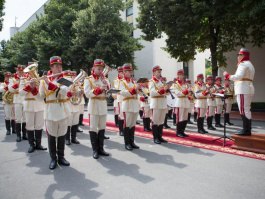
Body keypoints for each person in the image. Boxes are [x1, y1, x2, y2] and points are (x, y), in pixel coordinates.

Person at [39, 56, 71, 170]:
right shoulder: (43, 81)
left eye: (60, 66)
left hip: (62, 109)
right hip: (50, 110)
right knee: (51, 136)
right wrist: (34, 86)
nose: (58, 68)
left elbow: (65, 92)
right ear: (51, 67)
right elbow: (40, 96)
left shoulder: (64, 79)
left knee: (62, 134)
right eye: (56, 66)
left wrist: (49, 83)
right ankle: (53, 158)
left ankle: (61, 157)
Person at [224, 48, 255, 136]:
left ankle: (246, 130)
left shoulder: (243, 64)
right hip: (248, 87)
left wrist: (227, 75)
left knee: (243, 110)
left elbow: (238, 76)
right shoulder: (250, 64)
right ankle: (247, 129)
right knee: (247, 109)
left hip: (243, 88)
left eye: (240, 55)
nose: (238, 57)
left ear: (244, 56)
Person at [84, 59, 110, 159]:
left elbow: (109, 94)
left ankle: (101, 149)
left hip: (103, 104)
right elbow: (87, 93)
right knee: (93, 128)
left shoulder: (105, 79)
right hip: (94, 105)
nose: (100, 70)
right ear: (93, 68)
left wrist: (107, 87)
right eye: (98, 68)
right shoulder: (88, 79)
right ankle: (95, 150)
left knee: (102, 127)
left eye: (101, 69)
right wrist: (99, 89)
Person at [19, 64, 47, 153]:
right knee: (30, 126)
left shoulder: (40, 80)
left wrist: (37, 86)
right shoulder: (23, 80)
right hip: (28, 105)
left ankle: (38, 144)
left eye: (34, 70)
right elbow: (20, 93)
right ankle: (31, 145)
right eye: (31, 71)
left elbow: (43, 94)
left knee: (39, 125)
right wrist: (29, 86)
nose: (32, 72)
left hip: (39, 104)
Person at [119, 63, 140, 150]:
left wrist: (139, 89)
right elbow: (123, 92)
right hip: (127, 104)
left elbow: (137, 92)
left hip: (135, 104)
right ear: (124, 72)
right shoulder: (122, 82)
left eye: (130, 71)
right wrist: (134, 90)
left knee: (132, 124)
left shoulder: (133, 81)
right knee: (127, 124)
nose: (130, 73)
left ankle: (132, 142)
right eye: (127, 71)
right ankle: (127, 143)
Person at [149, 65, 168, 144]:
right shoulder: (151, 82)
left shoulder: (162, 81)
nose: (159, 73)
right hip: (156, 103)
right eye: (158, 71)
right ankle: (155, 137)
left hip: (163, 103)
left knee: (161, 121)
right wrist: (163, 90)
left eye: (160, 72)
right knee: (155, 121)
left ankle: (160, 137)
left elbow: (165, 93)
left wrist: (167, 90)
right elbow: (152, 93)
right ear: (154, 72)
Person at [8, 65, 27, 142]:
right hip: (17, 100)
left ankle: (25, 135)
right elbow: (10, 89)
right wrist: (19, 83)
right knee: (18, 118)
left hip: (25, 100)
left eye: (22, 71)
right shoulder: (12, 79)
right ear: (17, 71)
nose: (21, 73)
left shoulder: (26, 78)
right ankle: (18, 135)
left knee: (25, 118)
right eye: (19, 71)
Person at [172, 69, 190, 138]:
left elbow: (189, 92)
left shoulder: (185, 84)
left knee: (185, 118)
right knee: (180, 118)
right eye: (181, 75)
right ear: (178, 75)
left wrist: (189, 91)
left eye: (183, 75)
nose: (182, 76)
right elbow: (178, 93)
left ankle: (182, 131)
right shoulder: (175, 84)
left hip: (186, 101)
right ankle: (178, 132)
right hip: (179, 102)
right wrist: (186, 92)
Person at [65, 71, 81, 145]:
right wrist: (70, 92)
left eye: (74, 76)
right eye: (71, 77)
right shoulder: (66, 85)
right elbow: (64, 94)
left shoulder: (77, 84)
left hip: (76, 105)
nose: (73, 78)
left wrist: (79, 92)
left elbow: (79, 93)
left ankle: (73, 138)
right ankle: (67, 139)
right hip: (68, 105)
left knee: (75, 122)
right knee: (68, 123)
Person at [112, 66, 124, 135]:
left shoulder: (126, 80)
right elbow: (114, 89)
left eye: (122, 72)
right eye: (119, 72)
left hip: (126, 99)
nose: (120, 73)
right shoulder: (115, 80)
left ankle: (125, 129)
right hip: (118, 99)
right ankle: (121, 130)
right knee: (120, 114)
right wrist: (114, 95)